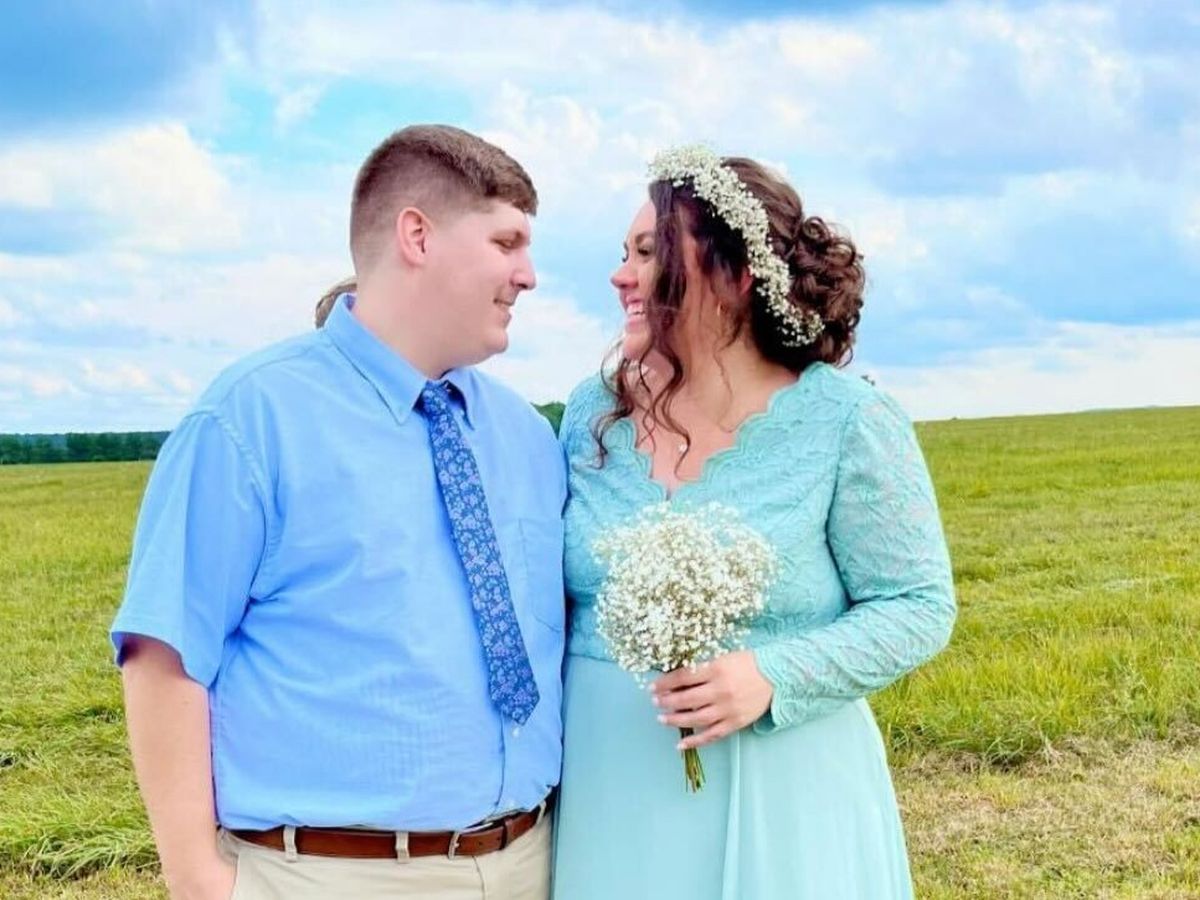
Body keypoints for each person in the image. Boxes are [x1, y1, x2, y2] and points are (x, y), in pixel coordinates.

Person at [111, 124, 566, 900]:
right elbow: (164, 654)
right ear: (417, 236)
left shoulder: (525, 434)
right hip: (327, 874)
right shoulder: (249, 418)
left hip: (530, 860)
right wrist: (197, 878)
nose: (528, 275)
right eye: (506, 242)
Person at [551, 146, 956, 899]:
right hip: (611, 790)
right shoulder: (590, 412)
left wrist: (771, 676)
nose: (620, 275)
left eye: (648, 253)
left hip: (787, 789)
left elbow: (918, 605)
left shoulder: (848, 419)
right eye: (624, 253)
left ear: (736, 275)